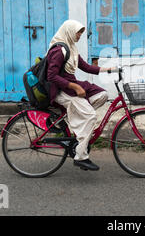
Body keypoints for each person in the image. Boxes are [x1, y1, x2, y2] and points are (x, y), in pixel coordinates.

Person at [46, 20, 115, 171]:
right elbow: (51, 76)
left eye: (81, 33)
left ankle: (77, 119)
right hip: (62, 91)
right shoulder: (59, 50)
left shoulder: (71, 48)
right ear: (69, 31)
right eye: (78, 32)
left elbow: (86, 67)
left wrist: (109, 69)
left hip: (71, 86)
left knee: (102, 94)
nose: (79, 36)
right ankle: (81, 156)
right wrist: (74, 86)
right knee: (90, 116)